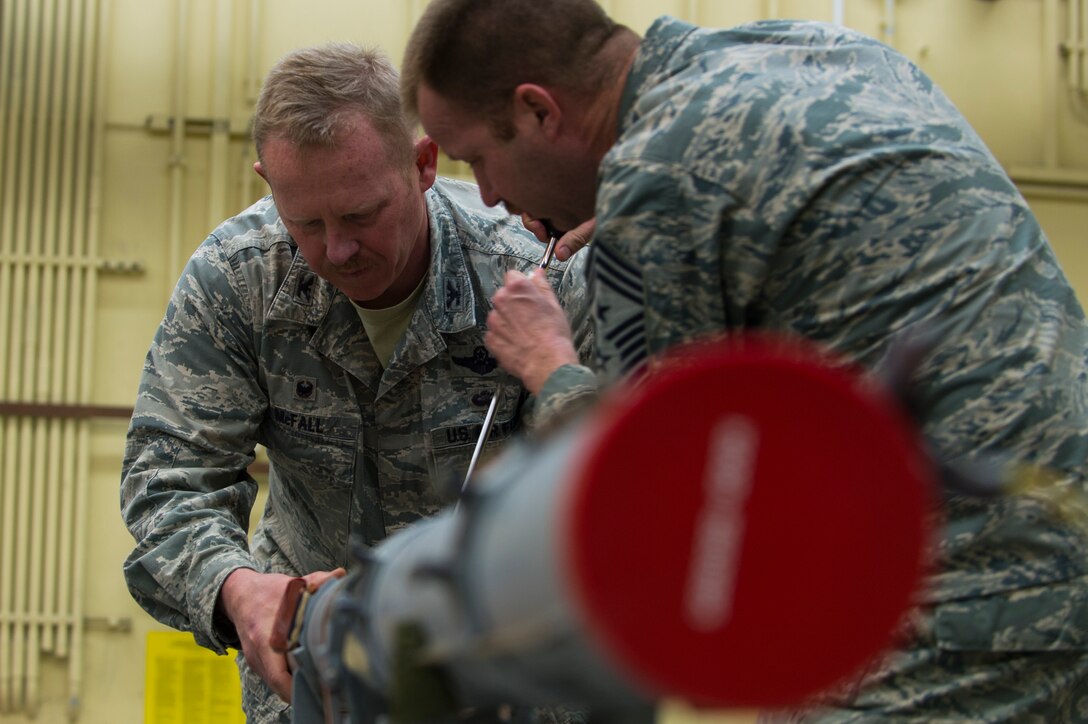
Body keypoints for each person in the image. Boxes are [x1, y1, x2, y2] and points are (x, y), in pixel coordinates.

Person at [402, 1, 1088, 720]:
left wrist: (551, 367)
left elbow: (662, 515)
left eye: (478, 157)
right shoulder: (818, 52)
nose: (486, 195)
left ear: (540, 111)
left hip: (961, 615)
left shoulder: (659, 178)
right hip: (1055, 536)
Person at [120, 43, 592, 724]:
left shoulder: (531, 277)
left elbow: (608, 486)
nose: (336, 249)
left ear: (424, 165)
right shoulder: (239, 279)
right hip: (318, 680)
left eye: (362, 214)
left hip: (505, 682)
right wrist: (236, 589)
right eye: (306, 222)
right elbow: (169, 475)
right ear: (266, 180)